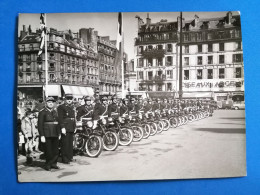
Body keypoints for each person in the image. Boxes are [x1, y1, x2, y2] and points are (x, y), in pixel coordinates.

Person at [38, 97, 60, 171]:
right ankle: (48, 164)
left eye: (52, 102)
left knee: (55, 150)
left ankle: (54, 164)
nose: (51, 103)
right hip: (47, 134)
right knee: (48, 151)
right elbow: (40, 125)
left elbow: (58, 123)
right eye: (49, 102)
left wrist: (59, 133)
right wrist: (42, 135)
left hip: (55, 133)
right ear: (46, 103)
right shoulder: (42, 112)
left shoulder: (55, 112)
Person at [57, 94, 76, 164]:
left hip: (71, 126)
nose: (69, 100)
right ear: (65, 99)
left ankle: (70, 157)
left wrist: (74, 126)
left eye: (70, 99)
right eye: (68, 99)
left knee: (70, 143)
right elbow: (60, 118)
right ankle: (65, 158)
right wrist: (62, 127)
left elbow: (74, 118)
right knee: (65, 143)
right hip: (65, 126)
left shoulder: (72, 107)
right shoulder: (61, 107)